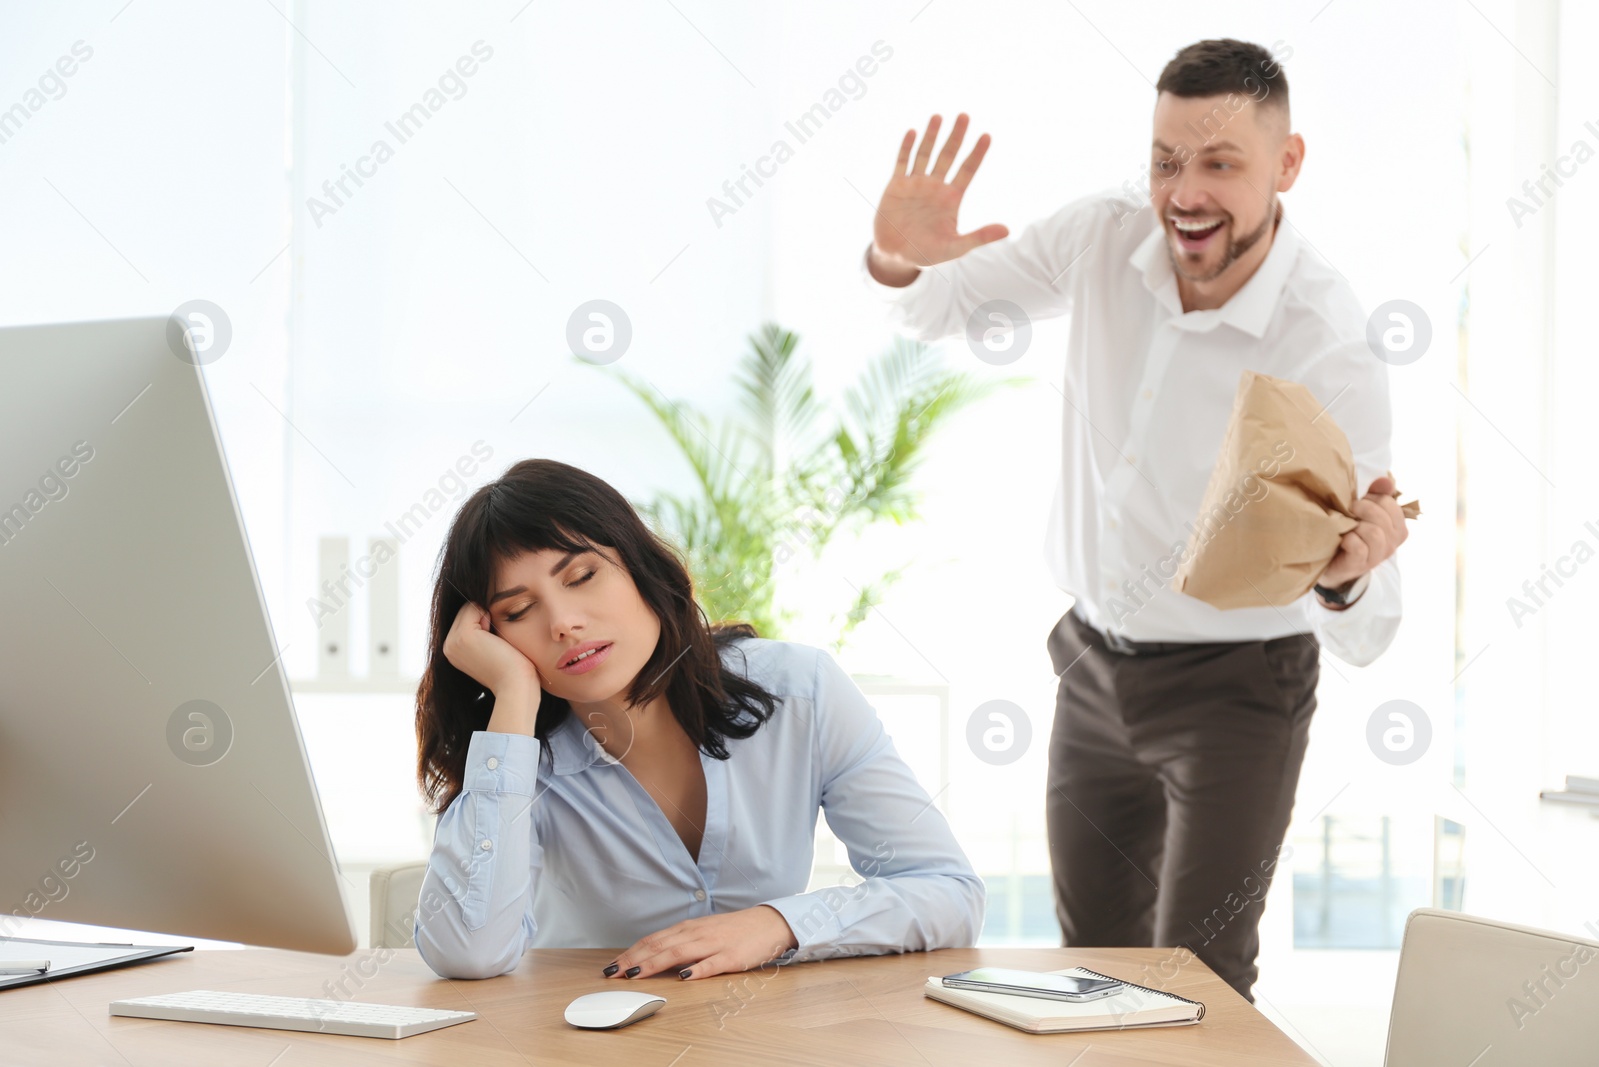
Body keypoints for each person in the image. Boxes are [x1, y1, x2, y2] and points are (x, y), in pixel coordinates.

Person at [859, 38, 1409, 1000]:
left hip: (1238, 690)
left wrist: (1346, 570)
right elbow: (942, 305)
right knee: (1098, 964)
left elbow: (1370, 614)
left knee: (1198, 979)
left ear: (1287, 166)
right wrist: (897, 259)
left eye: (1220, 163)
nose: (1183, 194)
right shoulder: (1104, 236)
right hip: (1091, 666)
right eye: (1166, 161)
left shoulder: (1328, 346)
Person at [411, 458, 984, 981]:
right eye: (518, 610)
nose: (562, 623)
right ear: (493, 636)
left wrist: (777, 925)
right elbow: (468, 951)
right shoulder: (517, 760)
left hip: (767, 1038)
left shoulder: (800, 691)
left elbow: (948, 893)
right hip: (583, 1037)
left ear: (639, 566)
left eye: (582, 576)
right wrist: (512, 695)